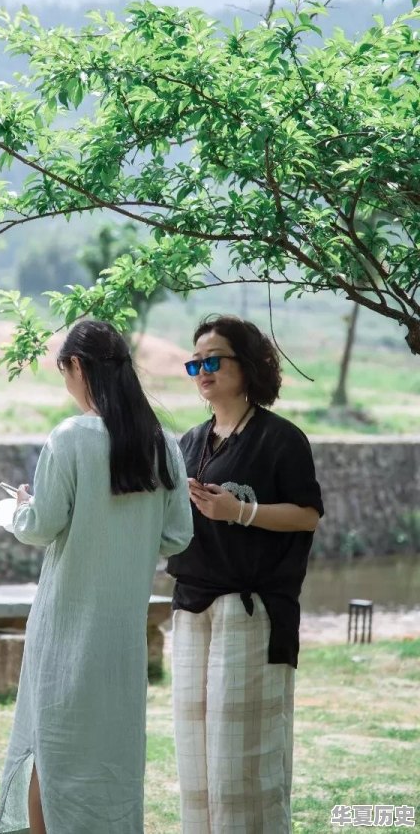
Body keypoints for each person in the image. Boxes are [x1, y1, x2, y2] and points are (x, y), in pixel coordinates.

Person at [0, 319, 193, 834]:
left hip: (64, 630)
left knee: (51, 748)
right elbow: (177, 536)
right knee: (113, 758)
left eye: (65, 373)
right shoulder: (161, 443)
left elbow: (41, 527)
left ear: (78, 367)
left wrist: (19, 509)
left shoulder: (70, 436)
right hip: (121, 638)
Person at [167, 315, 324, 834]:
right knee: (197, 760)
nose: (202, 371)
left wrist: (242, 512)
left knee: (243, 762)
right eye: (195, 363)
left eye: (213, 360)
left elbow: (307, 515)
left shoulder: (282, 439)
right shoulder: (188, 442)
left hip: (252, 612)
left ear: (247, 364)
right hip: (192, 608)